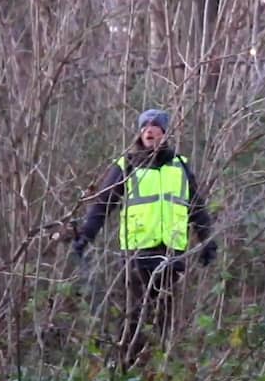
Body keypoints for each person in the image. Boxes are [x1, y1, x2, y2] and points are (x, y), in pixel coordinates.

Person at [73, 109, 217, 358]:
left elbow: (197, 208)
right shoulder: (127, 165)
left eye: (155, 126)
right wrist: (86, 235)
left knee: (163, 323)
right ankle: (126, 372)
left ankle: (155, 378)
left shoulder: (179, 166)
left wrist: (208, 241)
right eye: (144, 127)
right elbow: (102, 205)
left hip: (171, 256)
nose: (149, 130)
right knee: (134, 321)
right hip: (136, 257)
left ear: (165, 132)